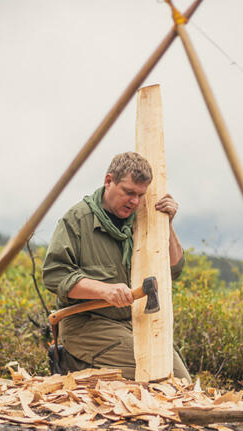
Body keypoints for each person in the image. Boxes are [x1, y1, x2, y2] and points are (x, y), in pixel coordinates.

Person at [42, 152, 191, 382]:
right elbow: (55, 275)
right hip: (87, 325)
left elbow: (174, 269)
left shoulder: (142, 219)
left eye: (141, 195)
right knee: (162, 377)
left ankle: (92, 368)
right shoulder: (77, 220)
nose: (135, 201)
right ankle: (74, 362)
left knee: (181, 381)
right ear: (108, 181)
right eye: (129, 192)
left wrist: (166, 225)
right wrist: (104, 290)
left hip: (133, 323)